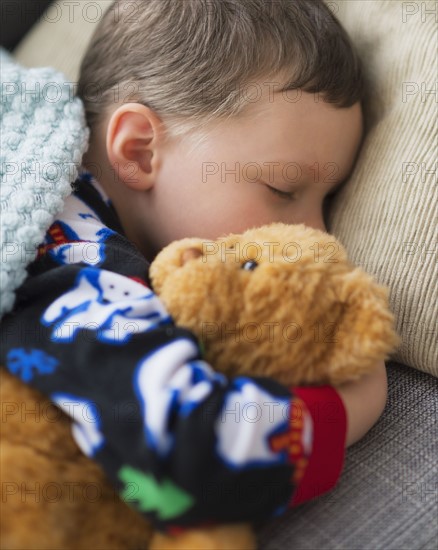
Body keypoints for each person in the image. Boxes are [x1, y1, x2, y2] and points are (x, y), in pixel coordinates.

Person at [0, 0, 388, 536]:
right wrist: (345, 408)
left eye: (329, 200)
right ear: (137, 151)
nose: (318, 235)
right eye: (282, 189)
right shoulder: (72, 250)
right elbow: (184, 456)